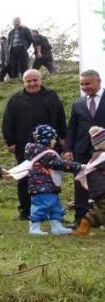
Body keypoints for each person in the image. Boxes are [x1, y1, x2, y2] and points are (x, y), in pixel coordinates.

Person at [2, 69, 67, 221]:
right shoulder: (15, 100)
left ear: (40, 80)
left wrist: (63, 138)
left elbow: (61, 117)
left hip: (50, 147)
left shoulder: (51, 96)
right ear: (23, 82)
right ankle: (25, 210)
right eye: (28, 81)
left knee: (51, 177)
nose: (32, 84)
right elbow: (8, 122)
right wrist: (10, 141)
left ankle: (52, 211)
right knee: (24, 177)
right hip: (24, 147)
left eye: (35, 80)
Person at [64, 70, 104, 226]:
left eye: (87, 83)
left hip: (103, 152)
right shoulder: (78, 104)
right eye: (82, 84)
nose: (84, 87)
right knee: (80, 184)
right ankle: (80, 218)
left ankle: (100, 218)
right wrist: (68, 149)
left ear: (98, 81)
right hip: (81, 150)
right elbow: (72, 128)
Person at [24, 125, 81, 235]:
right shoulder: (46, 153)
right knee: (42, 206)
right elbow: (58, 164)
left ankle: (56, 226)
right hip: (42, 186)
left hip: (48, 186)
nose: (55, 141)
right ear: (47, 139)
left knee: (55, 206)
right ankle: (34, 226)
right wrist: (76, 166)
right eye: (53, 139)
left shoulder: (40, 152)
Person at [74, 127, 105, 236]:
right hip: (102, 189)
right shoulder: (102, 157)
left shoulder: (97, 157)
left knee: (101, 209)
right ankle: (86, 223)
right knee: (101, 211)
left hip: (98, 189)